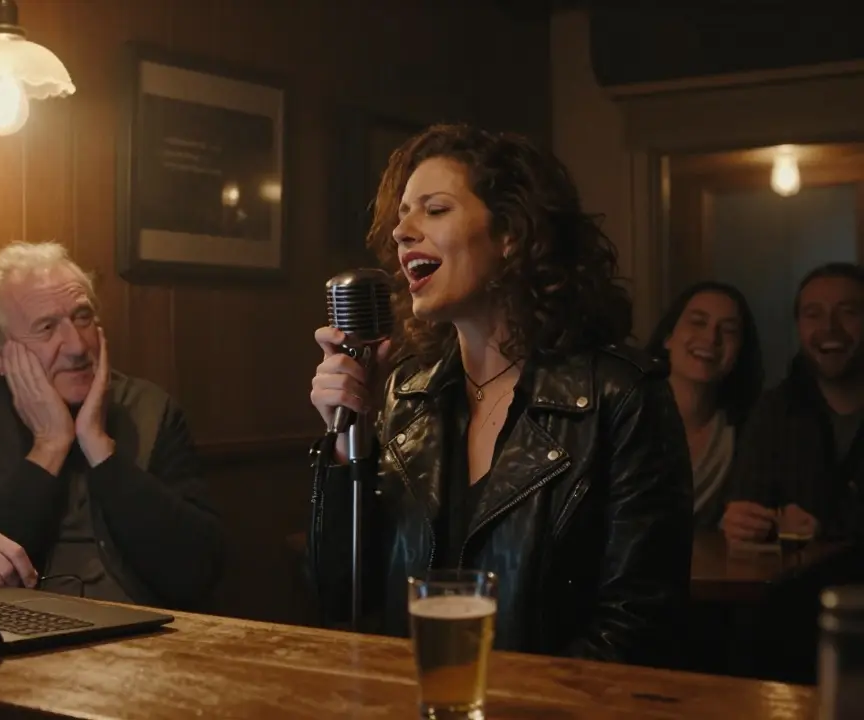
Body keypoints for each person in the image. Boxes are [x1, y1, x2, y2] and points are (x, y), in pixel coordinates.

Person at [306, 123, 693, 665]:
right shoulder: (405, 394)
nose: (402, 233)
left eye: (434, 210)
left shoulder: (619, 396)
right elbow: (342, 597)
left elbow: (639, 626)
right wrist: (350, 441)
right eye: (401, 217)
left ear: (511, 232)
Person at [0, 241, 224, 610]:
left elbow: (197, 572)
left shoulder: (152, 409)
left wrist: (99, 447)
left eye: (82, 317)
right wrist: (49, 444)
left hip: (147, 643)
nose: (76, 345)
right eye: (46, 327)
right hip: (10, 641)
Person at [722, 262, 864, 544]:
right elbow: (749, 506)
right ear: (798, 326)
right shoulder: (772, 411)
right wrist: (741, 524)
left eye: (847, 312)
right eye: (813, 314)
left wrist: (828, 528)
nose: (829, 327)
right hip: (796, 584)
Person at [645, 281, 763, 529]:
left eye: (729, 330)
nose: (711, 338)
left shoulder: (747, 430)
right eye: (698, 322)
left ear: (740, 351)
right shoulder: (628, 416)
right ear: (669, 337)